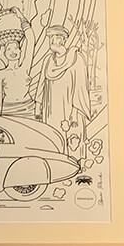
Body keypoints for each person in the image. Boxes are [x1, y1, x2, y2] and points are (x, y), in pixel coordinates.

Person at [38, 24, 90, 153]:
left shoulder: (77, 58)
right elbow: (41, 84)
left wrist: (74, 114)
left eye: (55, 37)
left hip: (71, 110)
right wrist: (38, 106)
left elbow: (80, 87)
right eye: (50, 37)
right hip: (51, 110)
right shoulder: (48, 60)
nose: (52, 40)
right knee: (52, 142)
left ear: (63, 39)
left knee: (72, 144)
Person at [0, 9, 38, 118]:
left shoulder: (25, 67)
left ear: (20, 52)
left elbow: (31, 40)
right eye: (9, 49)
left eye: (16, 48)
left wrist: (21, 17)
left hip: (28, 109)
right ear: (4, 53)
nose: (13, 52)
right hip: (8, 111)